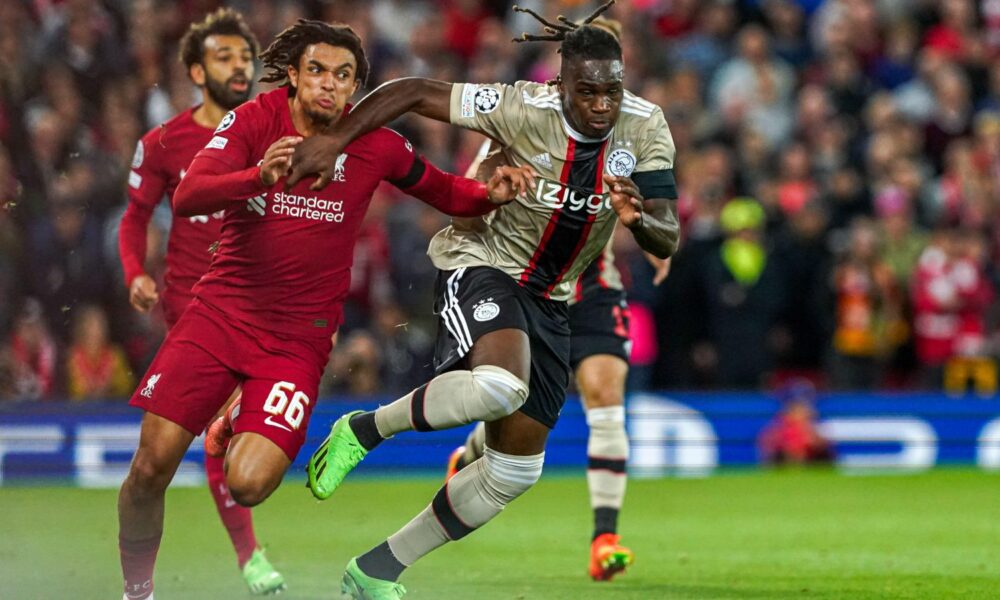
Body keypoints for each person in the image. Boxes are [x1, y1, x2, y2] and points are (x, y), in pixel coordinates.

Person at [115, 19, 528, 600]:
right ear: (292, 75)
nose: (329, 86)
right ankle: (138, 592)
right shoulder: (257, 119)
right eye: (317, 71)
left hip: (296, 344)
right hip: (219, 315)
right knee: (149, 470)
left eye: (344, 76)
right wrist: (256, 175)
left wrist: (491, 194)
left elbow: (443, 189)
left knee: (250, 483)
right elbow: (188, 195)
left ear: (356, 87)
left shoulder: (376, 143)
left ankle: (234, 415)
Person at [289, 2, 680, 597]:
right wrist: (336, 141)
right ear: (562, 84)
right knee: (501, 385)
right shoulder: (523, 105)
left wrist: (639, 223)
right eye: (588, 91)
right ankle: (365, 429)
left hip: (554, 295)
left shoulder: (646, 125)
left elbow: (668, 230)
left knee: (515, 470)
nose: (603, 104)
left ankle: (376, 570)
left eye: (612, 90)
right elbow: (414, 90)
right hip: (485, 262)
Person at [116, 9, 286, 595]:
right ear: (196, 70)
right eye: (223, 57)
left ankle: (248, 555)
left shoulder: (273, 131)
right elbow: (134, 218)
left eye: (245, 56)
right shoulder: (164, 142)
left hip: (261, 305)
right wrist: (136, 272)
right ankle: (245, 557)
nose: (240, 66)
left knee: (224, 430)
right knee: (199, 436)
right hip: (194, 306)